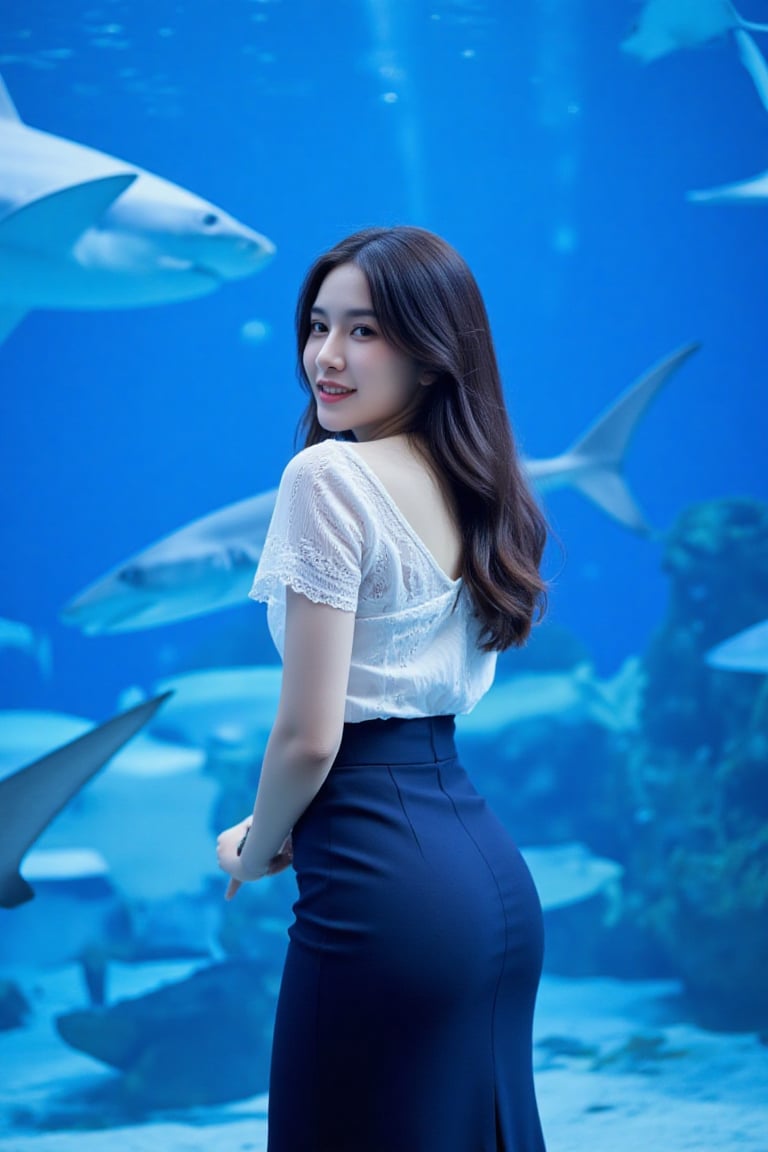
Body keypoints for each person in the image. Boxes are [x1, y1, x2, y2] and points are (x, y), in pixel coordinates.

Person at [216, 225, 549, 1151]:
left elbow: (310, 739)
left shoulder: (327, 476)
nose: (326, 356)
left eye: (365, 331)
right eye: (318, 325)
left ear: (435, 351)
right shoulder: (473, 479)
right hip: (490, 883)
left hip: (381, 886)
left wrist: (258, 843)